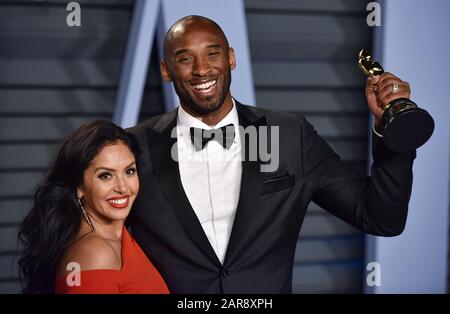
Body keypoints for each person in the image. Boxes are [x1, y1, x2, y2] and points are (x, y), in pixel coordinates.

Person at [127, 15, 416, 293]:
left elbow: (381, 218)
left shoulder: (291, 136)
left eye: (212, 54)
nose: (202, 69)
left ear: (231, 58)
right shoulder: (133, 146)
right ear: (166, 71)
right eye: (185, 58)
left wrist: (393, 130)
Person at [18, 120, 169, 294]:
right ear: (79, 186)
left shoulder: (117, 239)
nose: (123, 187)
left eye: (129, 171)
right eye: (105, 175)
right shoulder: (96, 253)